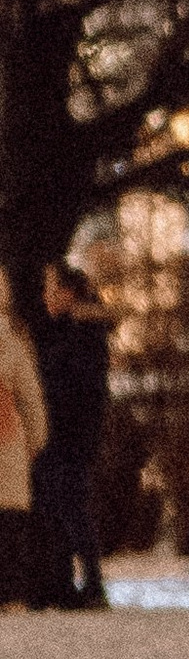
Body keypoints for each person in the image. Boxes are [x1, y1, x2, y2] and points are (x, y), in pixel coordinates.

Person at [32, 260, 114, 608]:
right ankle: (65, 581)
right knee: (60, 505)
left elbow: (73, 388)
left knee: (69, 505)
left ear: (67, 293)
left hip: (69, 436)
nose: (45, 296)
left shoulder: (81, 333)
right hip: (68, 434)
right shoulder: (70, 330)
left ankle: (89, 581)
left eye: (51, 289)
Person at [0, 261, 50, 611]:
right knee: (11, 524)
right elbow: (31, 397)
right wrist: (35, 441)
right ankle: (13, 596)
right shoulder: (13, 337)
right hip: (8, 438)